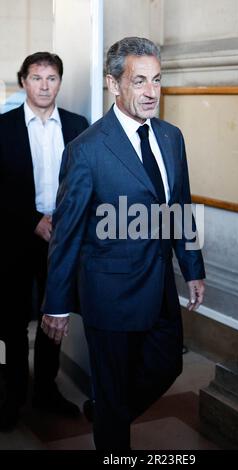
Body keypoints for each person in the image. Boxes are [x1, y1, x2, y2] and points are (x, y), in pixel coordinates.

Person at [42, 37, 205, 450]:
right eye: (139, 81)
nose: (151, 92)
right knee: (114, 396)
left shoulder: (172, 137)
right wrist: (56, 303)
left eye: (157, 80)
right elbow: (67, 231)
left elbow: (179, 205)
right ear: (114, 84)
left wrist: (192, 268)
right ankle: (111, 428)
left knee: (167, 364)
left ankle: (108, 412)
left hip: (160, 285)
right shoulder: (87, 149)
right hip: (109, 293)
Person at [0, 52, 89, 431]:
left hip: (63, 237)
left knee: (55, 315)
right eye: (36, 78)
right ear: (24, 82)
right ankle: (13, 395)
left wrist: (64, 223)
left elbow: (85, 181)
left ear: (59, 82)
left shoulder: (77, 125)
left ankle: (46, 391)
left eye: (51, 78)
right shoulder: (2, 127)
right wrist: (33, 220)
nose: (44, 85)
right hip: (15, 237)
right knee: (13, 318)